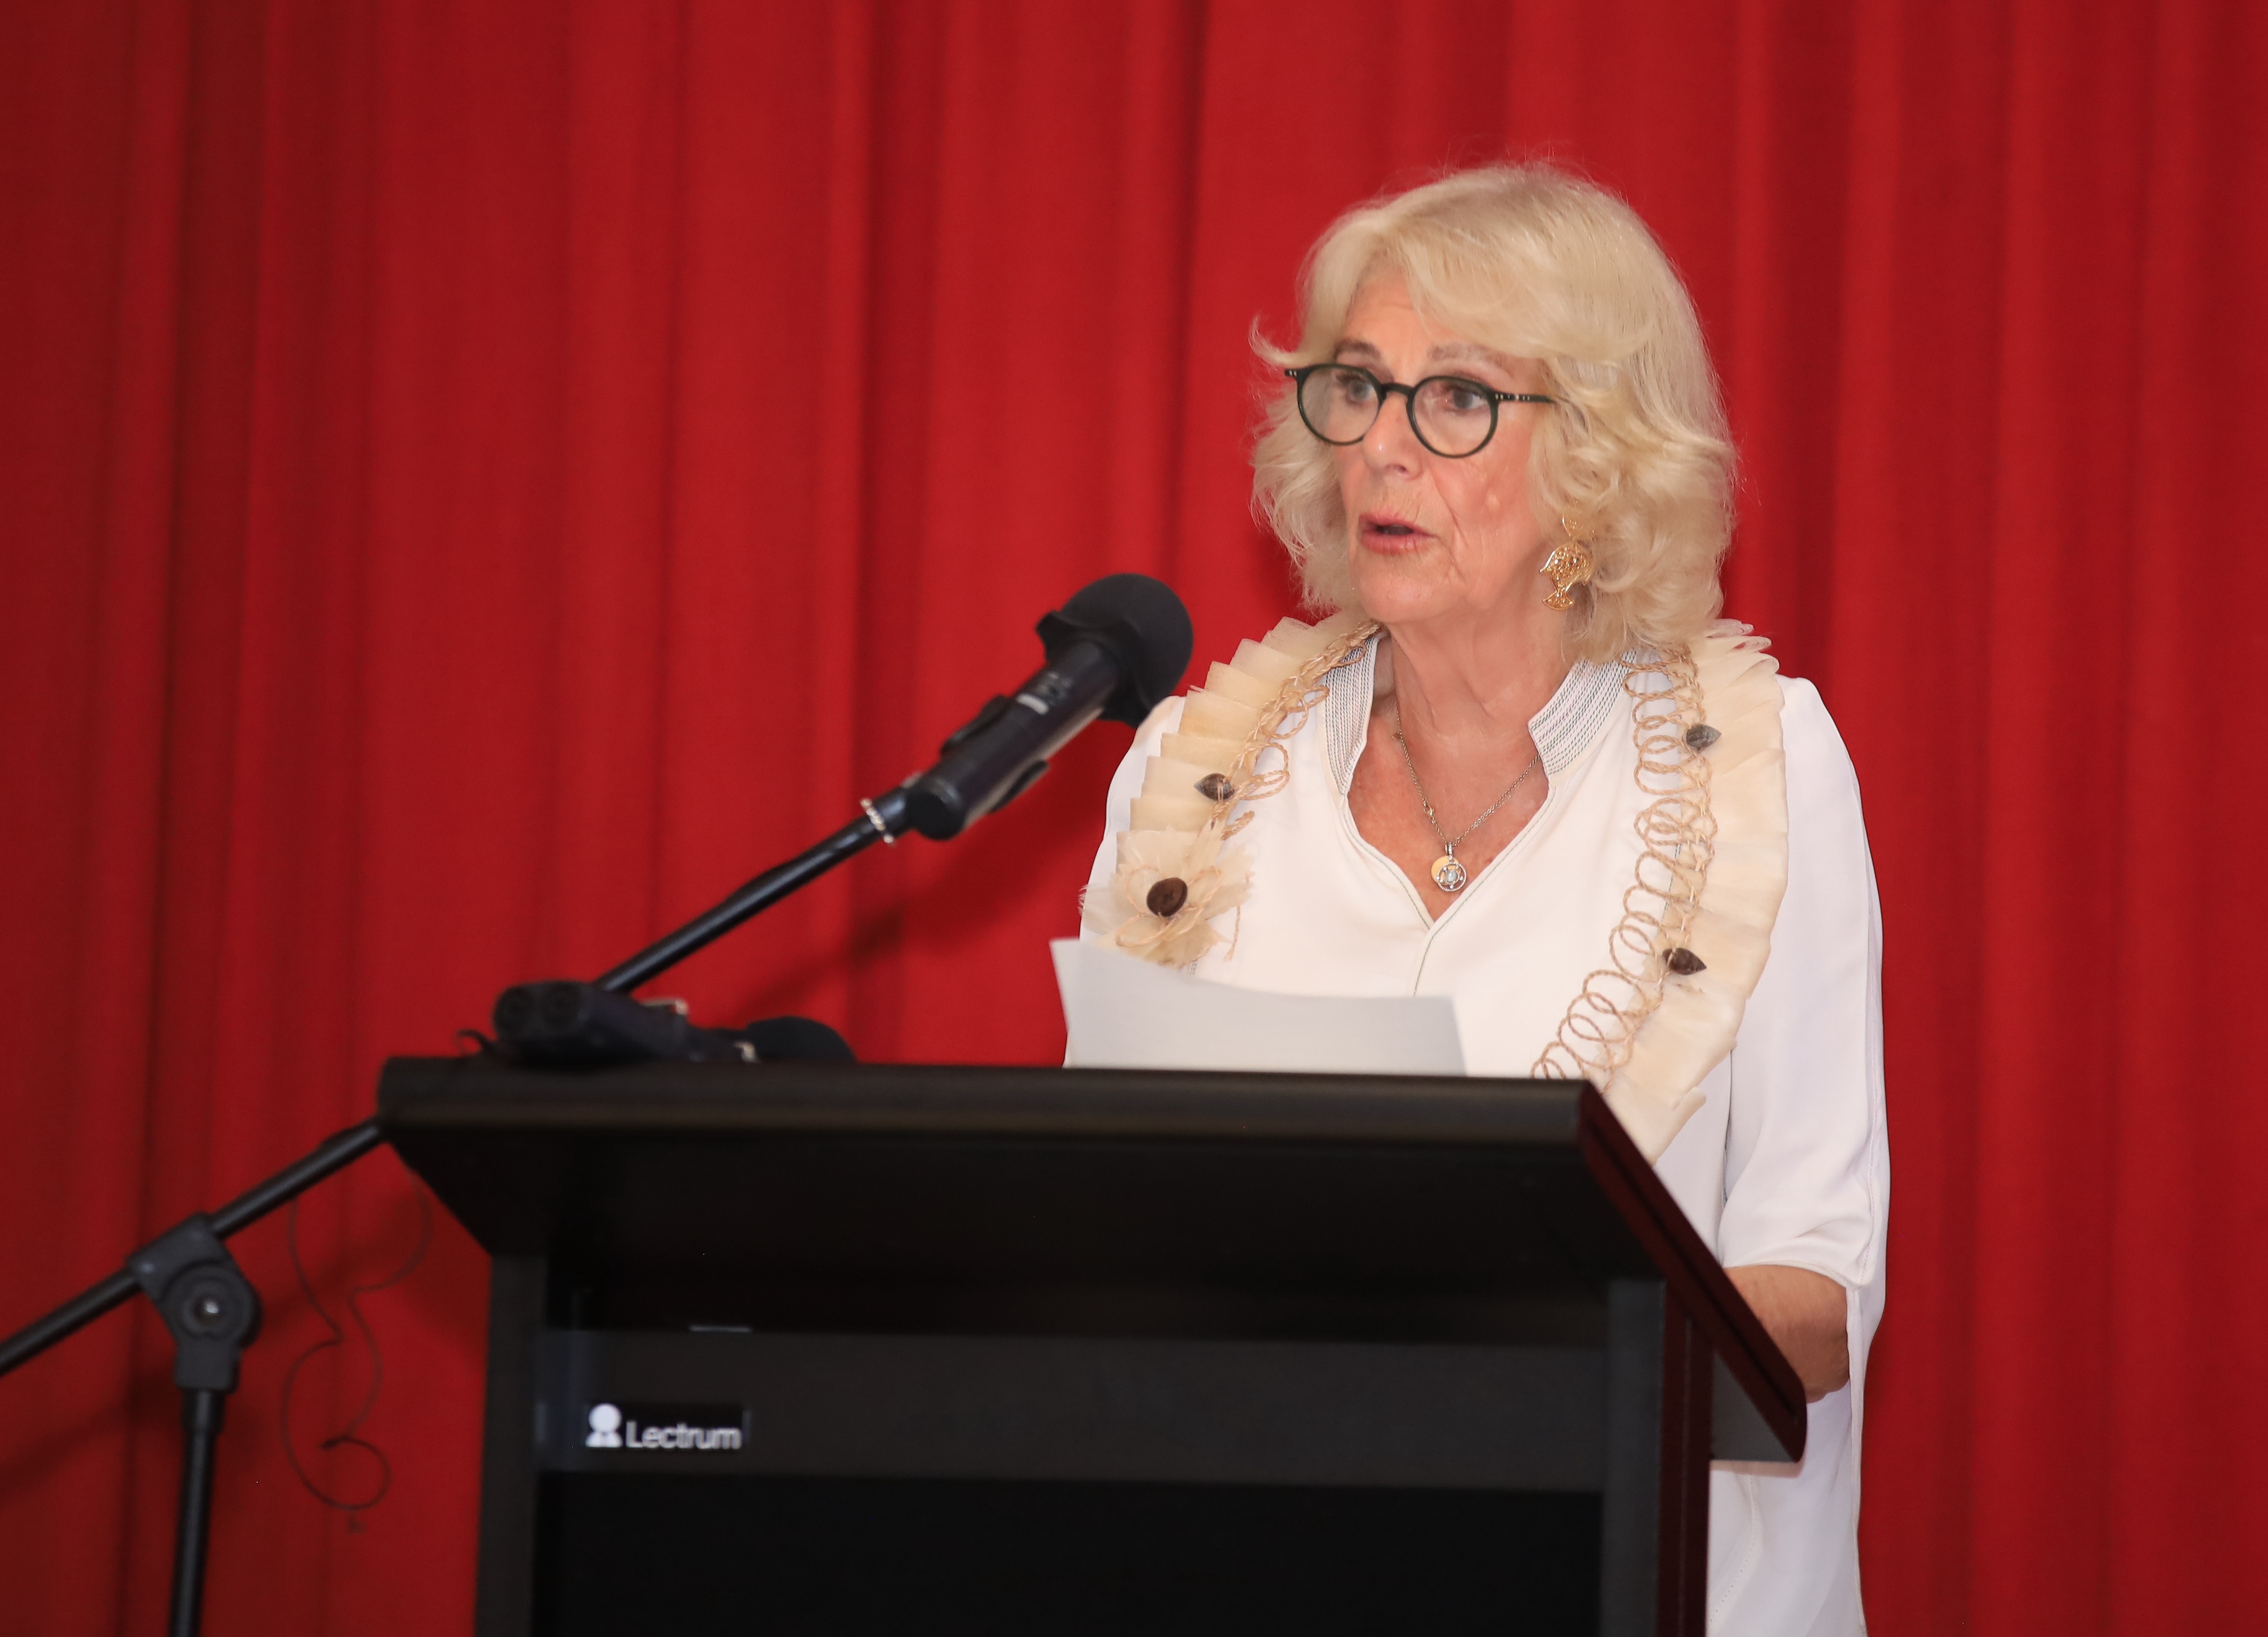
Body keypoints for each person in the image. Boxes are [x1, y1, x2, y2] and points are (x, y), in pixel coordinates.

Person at [1079, 164, 1886, 1634]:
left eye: (1456, 400)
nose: (1383, 450)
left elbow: (1814, 1293)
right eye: (1358, 388)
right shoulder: (1193, 782)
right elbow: (1104, 1231)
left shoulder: (1762, 771)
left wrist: (1493, 1349)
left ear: (1598, 453)